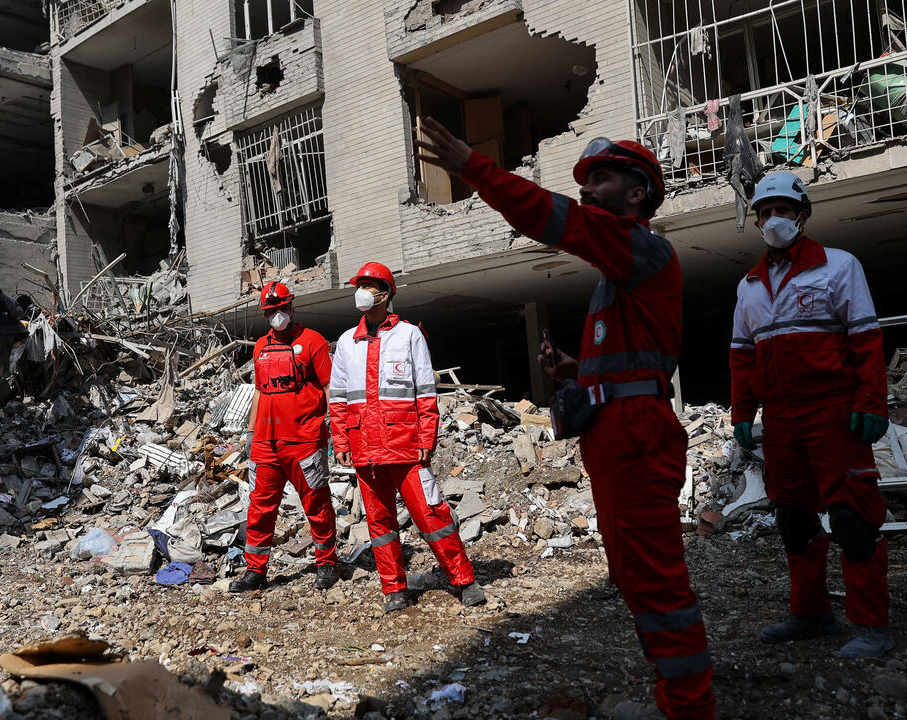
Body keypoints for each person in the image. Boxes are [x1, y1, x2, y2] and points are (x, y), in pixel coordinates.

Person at [416, 120, 715, 720]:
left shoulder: (643, 248)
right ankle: (676, 692)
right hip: (615, 431)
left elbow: (555, 219)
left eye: (600, 178)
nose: (586, 188)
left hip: (636, 433)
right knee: (631, 571)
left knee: (653, 576)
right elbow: (633, 358)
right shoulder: (617, 275)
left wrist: (475, 167)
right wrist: (577, 369)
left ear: (637, 193)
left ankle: (689, 706)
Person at [728, 171, 894, 659]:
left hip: (833, 412)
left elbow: (865, 340)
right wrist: (743, 413)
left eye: (782, 210)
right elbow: (742, 355)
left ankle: (873, 625)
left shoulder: (838, 266)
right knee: (793, 519)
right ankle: (811, 615)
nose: (773, 219)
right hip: (781, 419)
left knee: (851, 517)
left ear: (802, 215)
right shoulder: (749, 285)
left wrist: (871, 401)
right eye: (765, 212)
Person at [327, 262, 486, 614]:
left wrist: (427, 439)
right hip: (365, 448)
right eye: (360, 285)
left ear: (386, 294)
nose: (362, 292)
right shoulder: (347, 342)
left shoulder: (409, 335)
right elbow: (337, 399)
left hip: (406, 446)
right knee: (379, 524)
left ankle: (464, 580)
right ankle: (394, 590)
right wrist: (341, 442)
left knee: (432, 514)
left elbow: (426, 394)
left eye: (370, 286)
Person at [230, 281, 338, 593]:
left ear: (291, 307)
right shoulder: (260, 347)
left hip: (304, 440)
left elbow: (330, 388)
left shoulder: (313, 341)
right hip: (266, 443)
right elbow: (259, 392)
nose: (277, 314)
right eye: (271, 310)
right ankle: (255, 570)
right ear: (265, 313)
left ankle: (327, 563)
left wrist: (336, 429)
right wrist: (251, 433)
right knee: (259, 509)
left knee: (316, 503)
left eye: (282, 308)